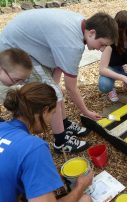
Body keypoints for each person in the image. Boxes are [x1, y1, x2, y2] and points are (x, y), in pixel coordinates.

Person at [0, 9, 119, 153]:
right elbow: (71, 87)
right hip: (15, 50)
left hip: (28, 45)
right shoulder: (72, 44)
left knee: (55, 90)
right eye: (102, 44)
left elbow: (59, 67)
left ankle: (64, 123)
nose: (101, 50)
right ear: (92, 33)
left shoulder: (80, 24)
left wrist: (53, 87)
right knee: (54, 94)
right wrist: (86, 111)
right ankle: (61, 141)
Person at [0, 82, 94, 202]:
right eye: (53, 113)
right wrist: (80, 186)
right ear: (44, 111)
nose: (51, 120)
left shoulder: (3, 128)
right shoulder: (33, 147)